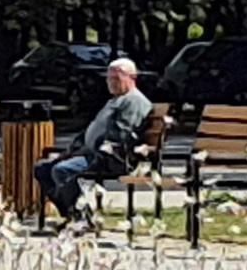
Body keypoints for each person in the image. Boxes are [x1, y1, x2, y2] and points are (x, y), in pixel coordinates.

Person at [34, 53, 159, 230]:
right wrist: (71, 150)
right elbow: (91, 129)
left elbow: (122, 135)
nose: (111, 82)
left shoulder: (134, 102)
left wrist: (86, 151)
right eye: (109, 78)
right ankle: (75, 214)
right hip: (91, 154)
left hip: (110, 158)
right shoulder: (114, 101)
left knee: (61, 170)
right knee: (43, 168)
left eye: (116, 78)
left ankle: (80, 218)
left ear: (132, 78)